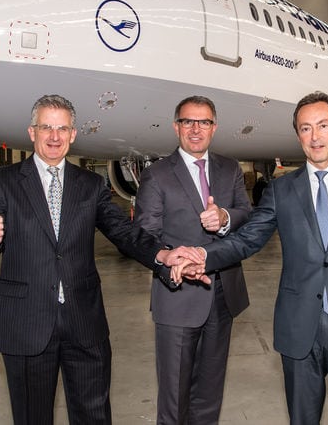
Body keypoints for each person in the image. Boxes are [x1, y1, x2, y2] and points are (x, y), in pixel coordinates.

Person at [0, 94, 202, 425]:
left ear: (73, 134)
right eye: (46, 127)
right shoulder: (4, 182)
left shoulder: (90, 185)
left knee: (93, 415)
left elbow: (124, 232)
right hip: (26, 322)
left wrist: (163, 254)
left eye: (62, 129)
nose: (54, 136)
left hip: (83, 322)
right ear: (32, 132)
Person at [175, 91, 328, 425]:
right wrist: (204, 255)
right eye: (306, 128)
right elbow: (247, 239)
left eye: (323, 125)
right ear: (298, 135)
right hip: (299, 332)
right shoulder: (282, 189)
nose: (315, 137)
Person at [134, 95, 252, 425]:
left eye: (204, 122)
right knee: (174, 399)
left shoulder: (230, 169)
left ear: (214, 128)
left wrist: (225, 217)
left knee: (210, 394)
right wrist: (170, 259)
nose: (196, 129)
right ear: (176, 127)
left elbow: (247, 214)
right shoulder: (157, 175)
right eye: (188, 121)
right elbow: (145, 234)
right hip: (178, 295)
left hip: (223, 294)